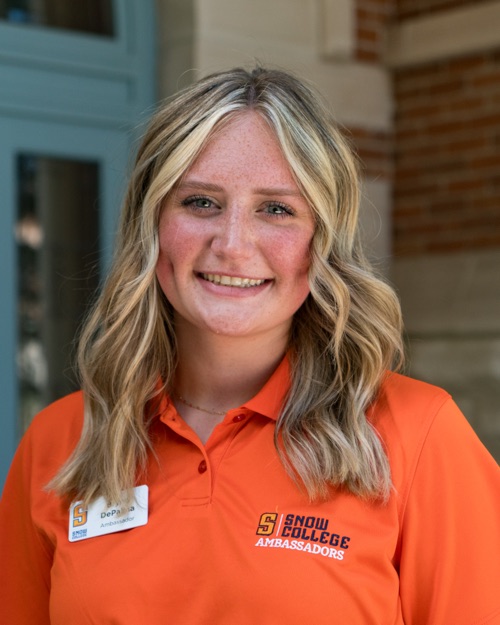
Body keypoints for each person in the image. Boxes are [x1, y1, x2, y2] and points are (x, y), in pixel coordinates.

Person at [0, 67, 499, 625]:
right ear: (151, 225)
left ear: (322, 242)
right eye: (200, 202)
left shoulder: (419, 436)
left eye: (276, 209)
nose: (233, 244)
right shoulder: (60, 442)